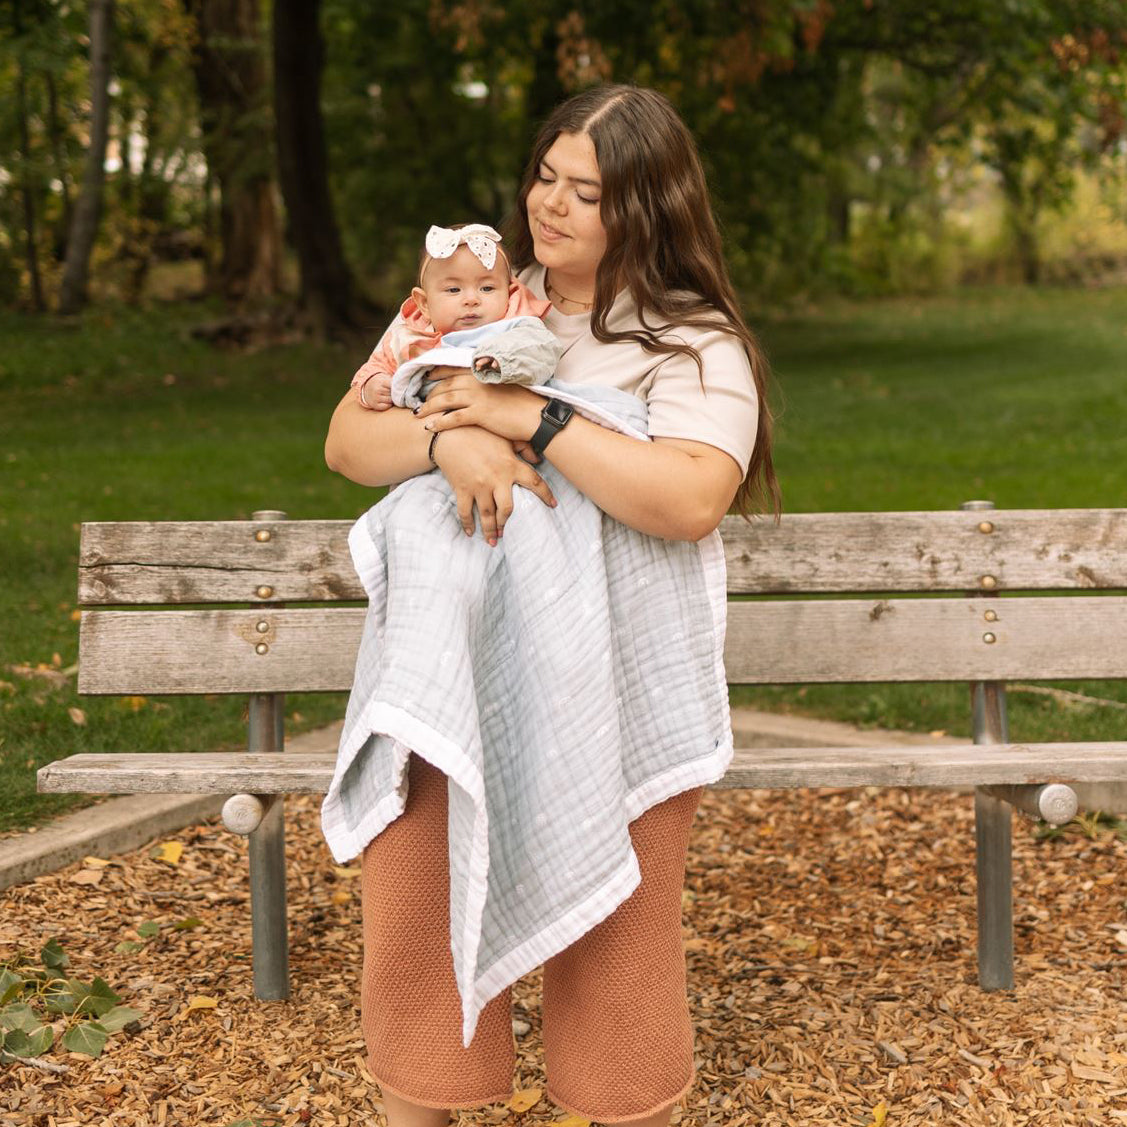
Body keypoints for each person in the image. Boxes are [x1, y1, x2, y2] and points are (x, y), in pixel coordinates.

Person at [323, 84, 778, 1127]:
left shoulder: (687, 341)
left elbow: (688, 496)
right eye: (544, 175)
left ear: (649, 207)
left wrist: (534, 414)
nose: (551, 204)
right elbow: (350, 439)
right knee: (416, 923)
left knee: (616, 955)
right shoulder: (472, 300)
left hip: (611, 686)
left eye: (587, 189)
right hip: (448, 669)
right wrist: (448, 437)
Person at [350, 223, 562, 413]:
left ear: (509, 293)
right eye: (453, 290)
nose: (471, 299)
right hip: (426, 428)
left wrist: (502, 359)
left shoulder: (516, 328)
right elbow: (375, 366)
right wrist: (372, 384)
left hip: (501, 419)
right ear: (424, 303)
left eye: (487, 288)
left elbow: (542, 352)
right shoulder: (408, 339)